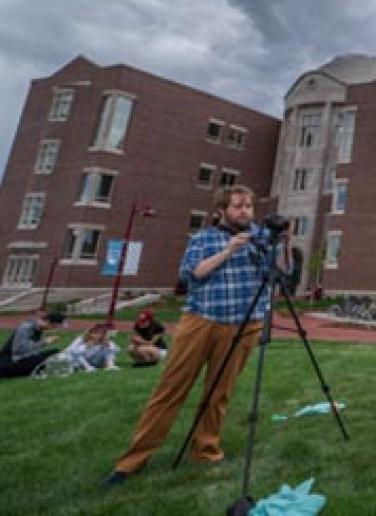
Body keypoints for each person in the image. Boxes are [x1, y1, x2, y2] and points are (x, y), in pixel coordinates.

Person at [104, 185, 277, 486]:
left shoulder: (260, 239)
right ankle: (133, 461)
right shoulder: (204, 238)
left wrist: (277, 244)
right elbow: (190, 274)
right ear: (223, 210)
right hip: (202, 320)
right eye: (237, 206)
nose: (245, 211)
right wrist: (229, 250)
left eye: (249, 206)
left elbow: (278, 274)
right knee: (172, 388)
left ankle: (206, 449)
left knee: (219, 391)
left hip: (243, 324)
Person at [0, 311, 65, 378]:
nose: (53, 329)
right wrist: (45, 342)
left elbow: (31, 350)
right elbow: (19, 349)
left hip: (21, 358)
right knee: (50, 356)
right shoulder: (26, 328)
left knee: (55, 352)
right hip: (13, 360)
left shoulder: (38, 329)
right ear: (48, 321)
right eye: (54, 326)